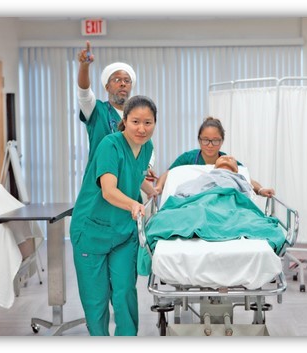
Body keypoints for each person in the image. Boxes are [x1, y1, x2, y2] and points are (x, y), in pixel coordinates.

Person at [70, 95, 157, 336]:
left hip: (122, 232)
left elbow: (135, 173)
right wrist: (134, 204)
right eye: (136, 121)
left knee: (125, 292)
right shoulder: (109, 144)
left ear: (155, 123)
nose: (142, 128)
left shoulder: (146, 146)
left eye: (148, 123)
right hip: (91, 230)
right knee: (96, 299)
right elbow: (108, 191)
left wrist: (153, 191)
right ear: (125, 121)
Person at [77, 40, 157, 197]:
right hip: (99, 187)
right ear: (107, 87)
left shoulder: (138, 118)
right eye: (117, 80)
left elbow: (145, 152)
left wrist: (146, 168)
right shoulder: (96, 110)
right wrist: (84, 66)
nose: (123, 84)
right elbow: (84, 93)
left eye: (127, 81)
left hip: (129, 187)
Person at [156, 117, 275, 197]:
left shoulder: (227, 161)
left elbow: (246, 179)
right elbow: (168, 174)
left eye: (215, 141)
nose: (210, 145)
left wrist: (260, 190)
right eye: (205, 140)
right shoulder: (188, 158)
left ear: (222, 141)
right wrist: (158, 188)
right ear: (199, 140)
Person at [174, 155, 253, 198]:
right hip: (202, 200)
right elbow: (186, 189)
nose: (226, 158)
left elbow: (246, 193)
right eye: (222, 158)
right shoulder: (206, 176)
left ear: (236, 171)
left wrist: (260, 190)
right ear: (215, 167)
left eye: (231, 159)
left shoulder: (240, 180)